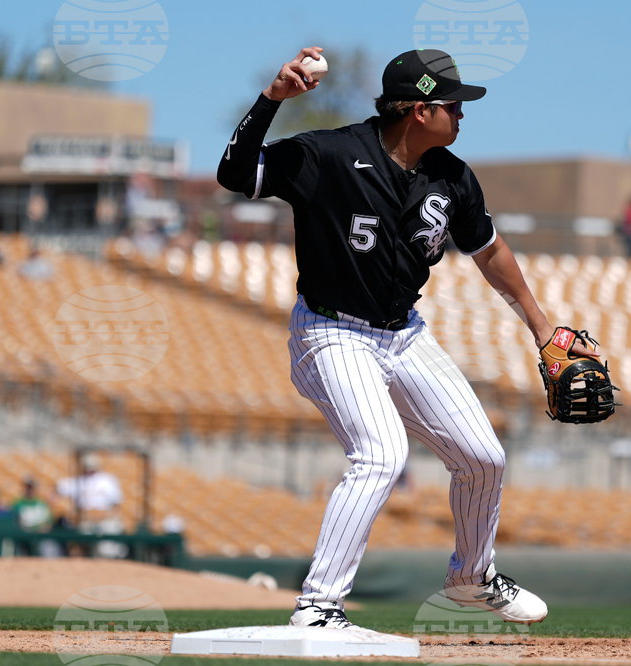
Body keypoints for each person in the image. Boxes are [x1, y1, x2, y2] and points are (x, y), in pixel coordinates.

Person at [218, 46, 597, 629]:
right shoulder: (331, 153)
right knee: (381, 454)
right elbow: (237, 173)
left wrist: (542, 327)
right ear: (418, 110)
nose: (463, 115)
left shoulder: (452, 177)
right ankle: (318, 606)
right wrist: (272, 100)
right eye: (453, 105)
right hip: (331, 332)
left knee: (483, 457)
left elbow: (488, 250)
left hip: (403, 335)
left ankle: (472, 577)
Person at [56, 453, 126, 557]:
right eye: (87, 467)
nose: (89, 470)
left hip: (105, 520)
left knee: (107, 550)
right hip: (85, 520)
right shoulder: (78, 480)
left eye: (91, 467)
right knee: (81, 541)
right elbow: (56, 491)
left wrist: (104, 515)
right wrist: (69, 509)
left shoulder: (107, 480)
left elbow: (117, 505)